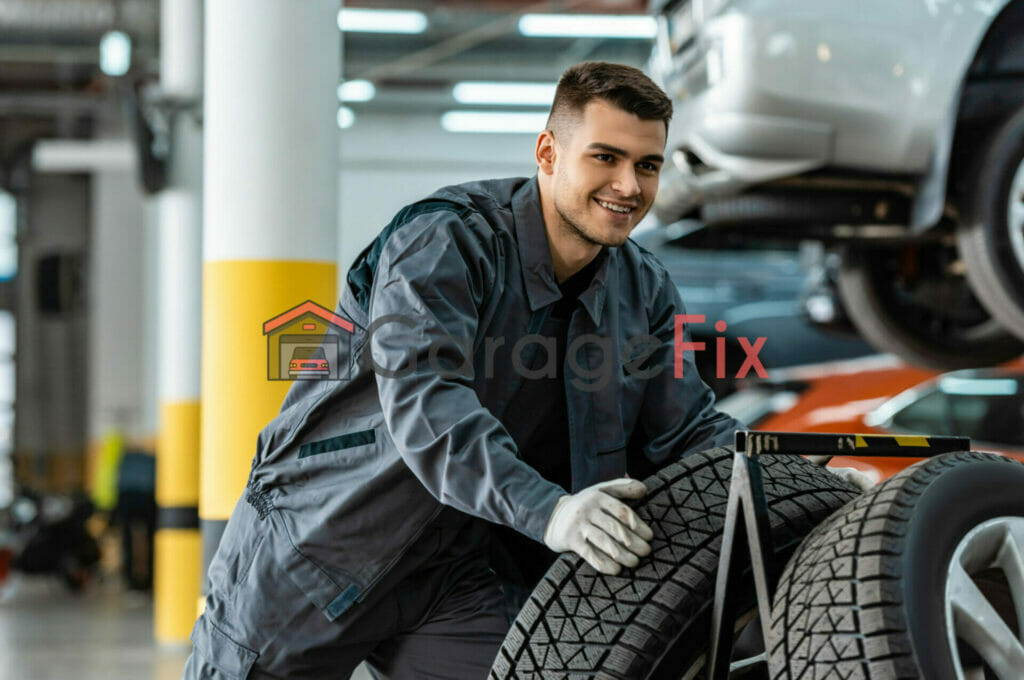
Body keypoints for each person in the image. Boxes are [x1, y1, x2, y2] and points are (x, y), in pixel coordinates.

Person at [184, 61, 745, 680]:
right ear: (548, 152)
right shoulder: (446, 241)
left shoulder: (643, 288)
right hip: (322, 546)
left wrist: (806, 484)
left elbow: (689, 433)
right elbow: (427, 401)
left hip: (457, 572)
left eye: (647, 165)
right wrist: (552, 512)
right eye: (605, 157)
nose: (628, 185)